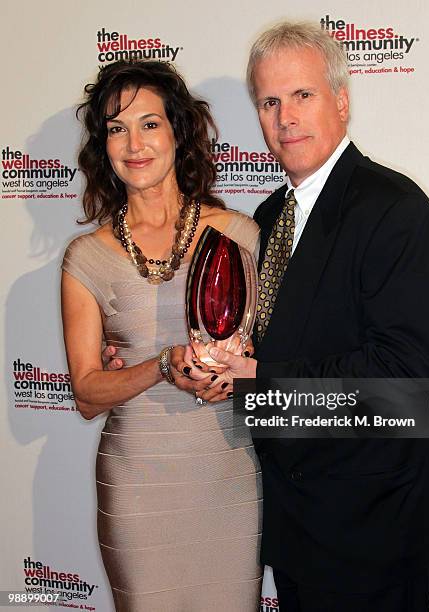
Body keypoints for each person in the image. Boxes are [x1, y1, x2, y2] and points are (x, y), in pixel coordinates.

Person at [171, 22, 429, 611]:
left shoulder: (396, 210)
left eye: (303, 95)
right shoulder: (267, 217)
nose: (285, 116)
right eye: (270, 102)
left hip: (369, 536)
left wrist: (257, 379)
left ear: (341, 102)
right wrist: (220, 374)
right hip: (293, 530)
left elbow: (401, 384)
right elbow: (261, 349)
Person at [61, 59, 262, 612]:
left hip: (227, 478)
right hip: (138, 486)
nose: (134, 144)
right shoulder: (86, 258)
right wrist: (160, 367)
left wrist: (239, 376)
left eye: (149, 123)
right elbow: (84, 394)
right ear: (103, 147)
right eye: (116, 129)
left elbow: (269, 360)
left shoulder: (239, 235)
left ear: (178, 130)